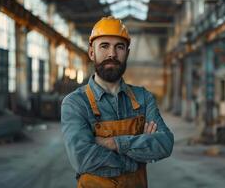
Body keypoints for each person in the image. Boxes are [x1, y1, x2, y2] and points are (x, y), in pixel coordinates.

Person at [61, 16, 174, 188]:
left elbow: (164, 144)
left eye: (119, 47)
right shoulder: (75, 103)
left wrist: (113, 143)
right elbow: (82, 159)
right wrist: (134, 158)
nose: (112, 53)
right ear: (92, 52)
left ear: (127, 53)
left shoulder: (143, 98)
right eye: (104, 46)